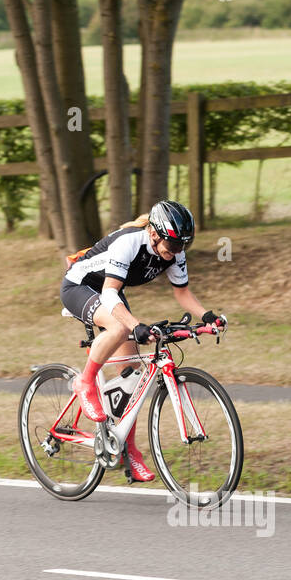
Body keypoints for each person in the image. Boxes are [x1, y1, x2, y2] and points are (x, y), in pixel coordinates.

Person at [61, 199, 226, 484]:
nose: (175, 253)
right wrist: (135, 325)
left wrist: (208, 316)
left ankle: (130, 451)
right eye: (172, 246)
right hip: (81, 286)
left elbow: (182, 293)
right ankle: (84, 382)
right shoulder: (129, 243)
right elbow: (111, 294)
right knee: (119, 328)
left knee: (133, 379)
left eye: (181, 247)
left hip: (109, 292)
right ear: (153, 234)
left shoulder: (175, 250)